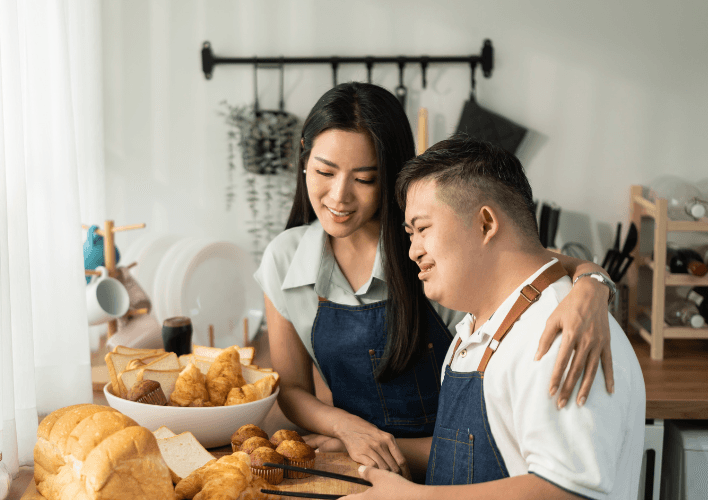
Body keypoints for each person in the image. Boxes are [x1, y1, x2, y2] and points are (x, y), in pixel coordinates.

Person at [253, 82, 617, 478]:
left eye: (365, 179)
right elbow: (291, 389)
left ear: (389, 175)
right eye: (325, 171)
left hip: (457, 466)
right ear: (304, 155)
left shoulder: (431, 250)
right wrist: (349, 431)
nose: (340, 196)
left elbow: (531, 261)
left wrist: (594, 284)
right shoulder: (284, 259)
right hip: (361, 461)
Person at [343, 135, 645, 499]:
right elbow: (464, 457)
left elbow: (568, 492)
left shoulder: (559, 333)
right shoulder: (481, 327)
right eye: (410, 235)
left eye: (422, 229)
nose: (413, 251)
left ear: (486, 223)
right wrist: (359, 446)